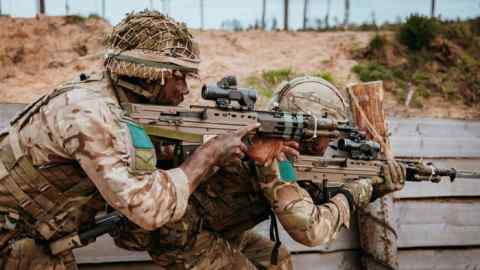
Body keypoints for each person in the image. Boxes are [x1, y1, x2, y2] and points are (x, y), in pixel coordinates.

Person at [0, 11, 259, 270]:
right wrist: (209, 155)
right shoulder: (89, 112)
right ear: (149, 75)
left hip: (34, 235)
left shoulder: (114, 100)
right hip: (13, 238)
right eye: (177, 76)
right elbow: (148, 211)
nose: (184, 88)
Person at [115, 76, 405, 269]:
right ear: (311, 131)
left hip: (209, 226)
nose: (330, 142)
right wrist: (358, 192)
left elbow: (299, 190)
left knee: (276, 259)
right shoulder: (271, 152)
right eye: (329, 132)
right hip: (179, 236)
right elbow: (311, 229)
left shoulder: (270, 141)